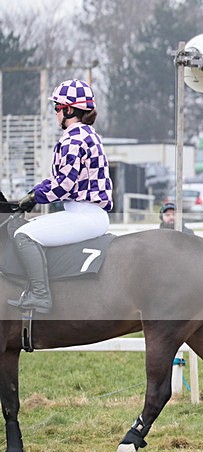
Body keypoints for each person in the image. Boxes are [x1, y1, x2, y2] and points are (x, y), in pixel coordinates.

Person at [9, 80, 112, 313]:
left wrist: (35, 198)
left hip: (84, 214)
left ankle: (40, 295)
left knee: (23, 234)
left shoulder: (73, 139)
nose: (55, 113)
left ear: (69, 110)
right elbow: (58, 180)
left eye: (57, 108)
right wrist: (34, 193)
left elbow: (63, 185)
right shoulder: (88, 134)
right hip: (88, 213)